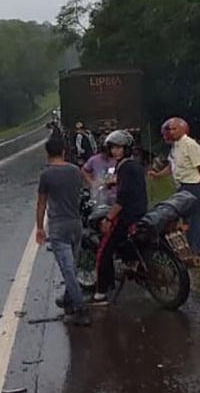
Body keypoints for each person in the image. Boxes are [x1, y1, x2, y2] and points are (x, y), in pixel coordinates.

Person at [36, 136, 91, 326]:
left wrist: (39, 228)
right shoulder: (75, 171)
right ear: (64, 152)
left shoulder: (46, 175)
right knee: (72, 266)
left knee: (68, 270)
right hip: (76, 224)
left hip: (58, 227)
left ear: (47, 153)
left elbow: (41, 204)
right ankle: (68, 299)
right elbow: (83, 192)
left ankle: (80, 308)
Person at [91, 129, 148, 306]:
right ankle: (130, 262)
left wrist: (108, 218)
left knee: (103, 251)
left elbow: (122, 199)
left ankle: (100, 294)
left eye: (118, 148)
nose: (115, 151)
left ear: (127, 149)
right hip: (140, 211)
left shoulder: (124, 167)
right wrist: (111, 183)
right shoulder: (134, 165)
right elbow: (130, 186)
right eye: (113, 148)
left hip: (126, 215)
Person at [148, 117, 200, 264]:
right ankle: (184, 248)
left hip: (192, 186)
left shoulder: (190, 145)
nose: (171, 132)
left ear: (183, 129)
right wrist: (158, 175)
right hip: (181, 187)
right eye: (169, 129)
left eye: (174, 129)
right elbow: (172, 166)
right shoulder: (175, 147)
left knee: (193, 220)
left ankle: (198, 252)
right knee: (182, 219)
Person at [80, 139, 117, 204]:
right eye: (103, 152)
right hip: (99, 194)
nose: (105, 155)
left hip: (114, 194)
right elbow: (84, 170)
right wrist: (91, 182)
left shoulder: (116, 159)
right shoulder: (94, 160)